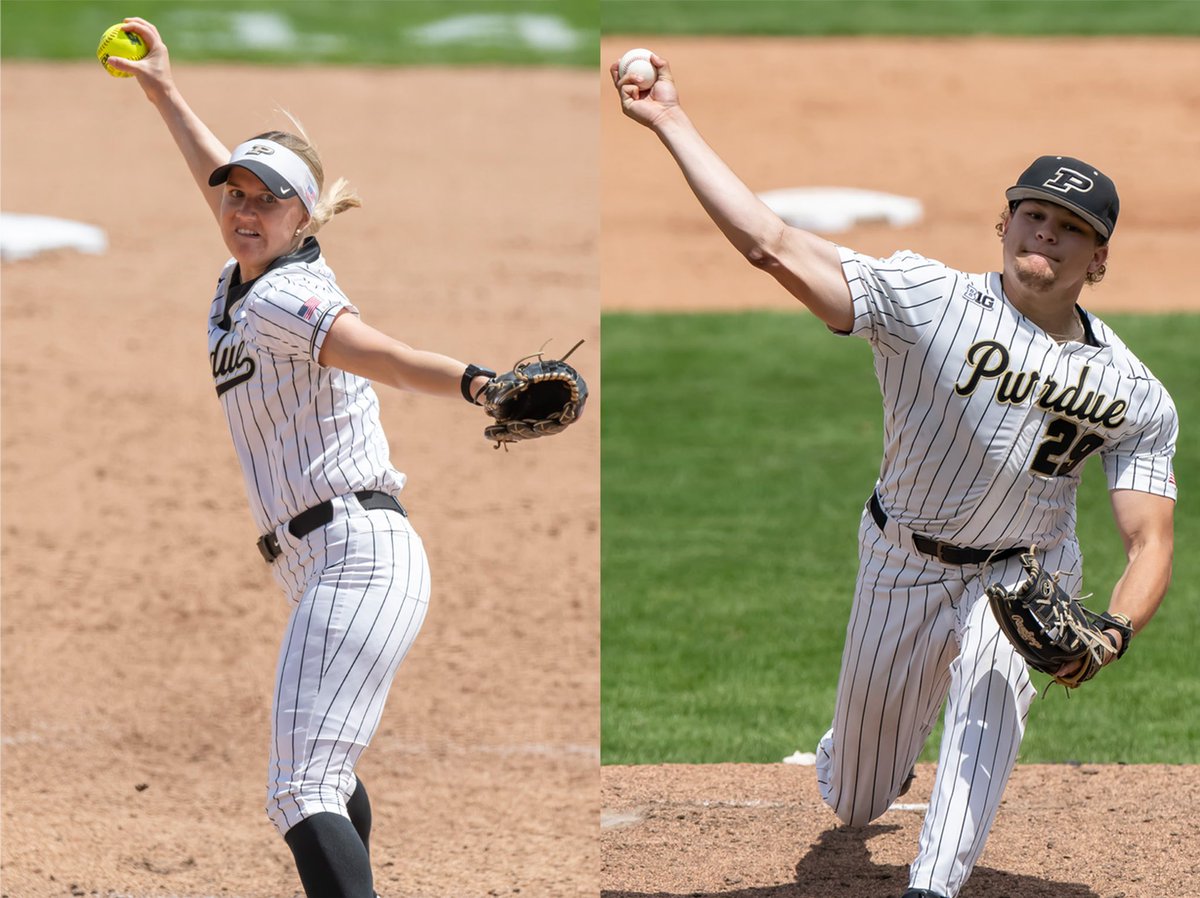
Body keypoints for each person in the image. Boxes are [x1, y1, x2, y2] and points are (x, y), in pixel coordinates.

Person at [612, 54, 1176, 898]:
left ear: (1098, 258)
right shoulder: (927, 300)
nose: (1046, 234)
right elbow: (771, 245)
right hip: (903, 563)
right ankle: (857, 754)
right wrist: (668, 121)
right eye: (1033, 215)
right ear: (1005, 225)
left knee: (986, 708)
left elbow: (1150, 537)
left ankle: (932, 885)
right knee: (853, 796)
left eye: (1070, 227)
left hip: (1026, 574)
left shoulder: (1133, 389)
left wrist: (1118, 630)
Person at [109, 18, 529, 898]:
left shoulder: (286, 298)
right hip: (325, 561)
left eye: (266, 200)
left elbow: (383, 354)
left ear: (304, 215)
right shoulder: (251, 272)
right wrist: (164, 94)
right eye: (236, 195)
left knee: (300, 787)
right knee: (323, 771)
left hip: (356, 559)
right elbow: (220, 189)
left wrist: (479, 384)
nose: (241, 210)